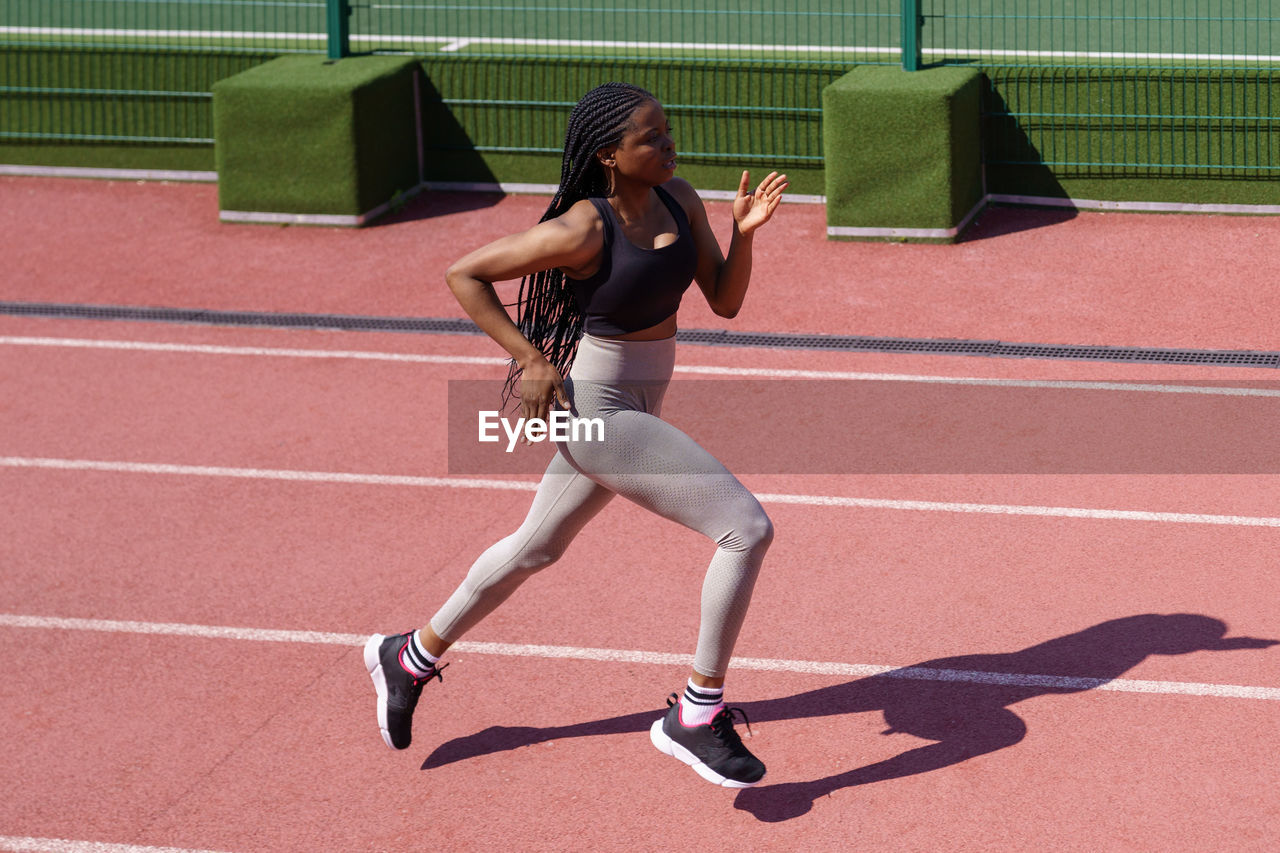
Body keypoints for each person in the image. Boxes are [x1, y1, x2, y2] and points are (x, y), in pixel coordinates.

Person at [364, 82, 789, 788]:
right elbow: (463, 272)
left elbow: (726, 299)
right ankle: (695, 711)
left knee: (535, 547)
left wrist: (743, 232)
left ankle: (408, 654)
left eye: (668, 131)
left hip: (643, 396)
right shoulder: (582, 230)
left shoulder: (681, 198)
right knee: (745, 528)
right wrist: (530, 357)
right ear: (609, 156)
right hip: (596, 405)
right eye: (650, 138)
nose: (668, 145)